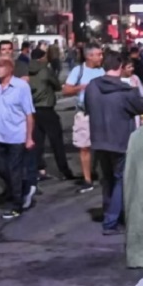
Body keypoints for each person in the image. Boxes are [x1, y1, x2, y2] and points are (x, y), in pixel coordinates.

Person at [84, 51, 143, 236]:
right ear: (120, 67)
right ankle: (111, 220)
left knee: (107, 179)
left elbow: (87, 107)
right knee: (121, 179)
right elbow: (141, 108)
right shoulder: (126, 90)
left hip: (99, 139)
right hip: (120, 140)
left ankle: (110, 212)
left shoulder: (92, 86)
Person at [0, 55, 36, 219]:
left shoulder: (21, 86)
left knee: (14, 169)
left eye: (1, 66)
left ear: (10, 69)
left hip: (17, 134)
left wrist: (29, 137)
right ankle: (23, 187)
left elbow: (29, 114)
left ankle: (17, 205)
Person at [62, 44, 106, 193]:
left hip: (101, 113)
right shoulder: (78, 70)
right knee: (84, 147)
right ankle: (88, 179)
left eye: (101, 54)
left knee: (103, 146)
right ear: (89, 56)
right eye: (98, 54)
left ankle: (103, 174)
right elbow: (66, 90)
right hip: (84, 113)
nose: (101, 57)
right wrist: (81, 87)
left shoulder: (102, 70)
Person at [28, 48, 76, 182]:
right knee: (57, 142)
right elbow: (57, 85)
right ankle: (64, 170)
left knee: (37, 142)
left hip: (33, 110)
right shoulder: (45, 70)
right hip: (47, 108)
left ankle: (39, 170)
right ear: (42, 58)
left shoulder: (26, 70)